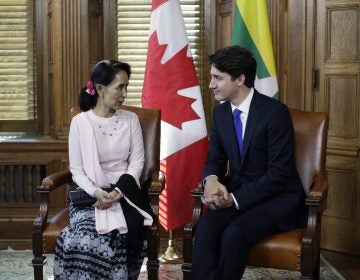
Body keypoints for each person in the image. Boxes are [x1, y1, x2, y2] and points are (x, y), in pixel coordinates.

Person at [191, 46, 308, 280]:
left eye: (218, 78)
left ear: (240, 79)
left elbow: (278, 174)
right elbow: (214, 158)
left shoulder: (275, 113)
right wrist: (212, 181)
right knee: (205, 227)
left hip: (278, 198)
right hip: (241, 194)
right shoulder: (221, 114)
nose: (211, 84)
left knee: (234, 233)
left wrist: (234, 199)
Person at [54, 60, 153, 280]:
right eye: (120, 87)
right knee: (84, 237)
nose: (125, 94)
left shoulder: (131, 120)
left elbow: (136, 163)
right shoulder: (80, 123)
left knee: (119, 232)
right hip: (91, 196)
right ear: (100, 89)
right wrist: (98, 193)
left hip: (125, 194)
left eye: (127, 86)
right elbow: (77, 171)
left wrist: (119, 192)